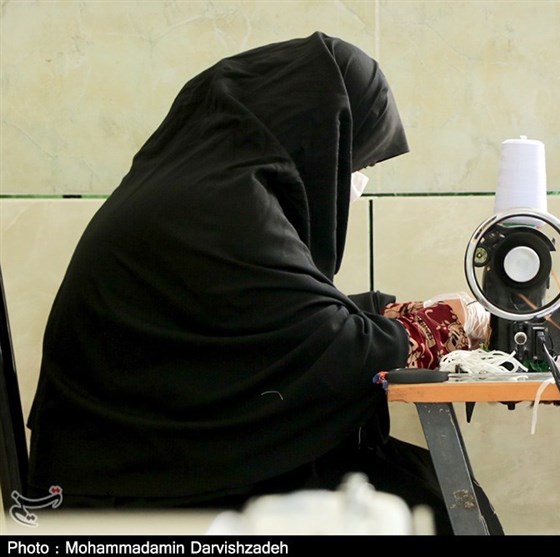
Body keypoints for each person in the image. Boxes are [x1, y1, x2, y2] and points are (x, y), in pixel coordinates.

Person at [26, 31, 503, 535]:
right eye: (353, 163)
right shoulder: (223, 208)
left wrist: (389, 313)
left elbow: (268, 322)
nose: (354, 182)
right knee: (433, 503)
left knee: (422, 483)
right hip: (135, 498)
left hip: (141, 464)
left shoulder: (200, 186)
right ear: (317, 139)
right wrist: (444, 324)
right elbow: (332, 353)